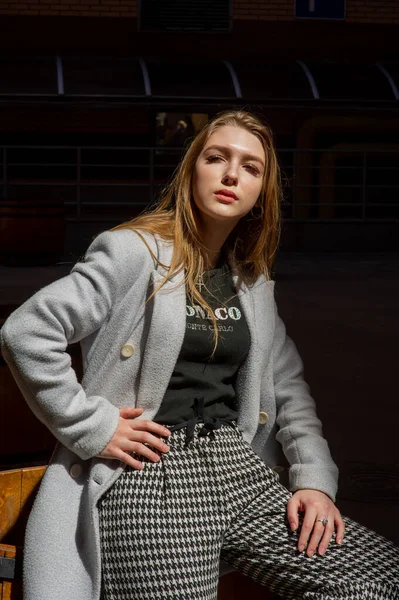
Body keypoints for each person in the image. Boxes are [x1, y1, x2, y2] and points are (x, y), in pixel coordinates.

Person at [1, 110, 398, 600]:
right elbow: (28, 330)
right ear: (192, 172)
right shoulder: (133, 252)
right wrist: (92, 426)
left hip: (238, 467)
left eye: (251, 167)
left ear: (261, 194)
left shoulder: (250, 283)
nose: (232, 173)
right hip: (151, 473)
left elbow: (291, 391)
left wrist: (313, 479)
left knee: (377, 580)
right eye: (217, 158)